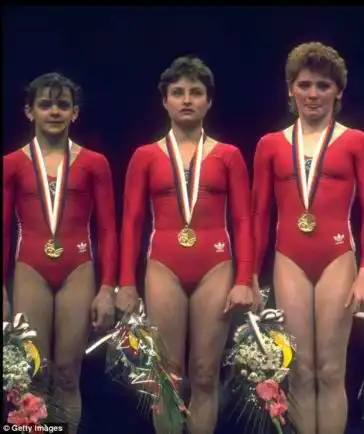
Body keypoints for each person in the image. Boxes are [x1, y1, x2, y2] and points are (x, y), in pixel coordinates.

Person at [116, 56, 256, 434]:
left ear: (209, 101)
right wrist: (125, 282)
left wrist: (244, 279)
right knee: (167, 373)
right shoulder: (145, 156)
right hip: (163, 266)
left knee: (206, 373)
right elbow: (131, 223)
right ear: (164, 101)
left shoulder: (229, 155)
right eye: (178, 93)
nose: (187, 99)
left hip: (216, 267)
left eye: (196, 92)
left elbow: (244, 221)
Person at [251, 42, 364, 434]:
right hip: (288, 259)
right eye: (304, 85)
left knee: (330, 369)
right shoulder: (270, 145)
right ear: (290, 89)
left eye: (323, 86)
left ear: (338, 91)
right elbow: (258, 215)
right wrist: (248, 275)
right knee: (300, 369)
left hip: (337, 258)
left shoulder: (356, 141)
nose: (313, 94)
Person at [2, 73, 118, 433]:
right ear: (29, 111)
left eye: (62, 105)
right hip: (30, 269)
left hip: (77, 270)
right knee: (32, 372)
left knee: (68, 373)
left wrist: (107, 288)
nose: (54, 111)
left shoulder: (94, 163)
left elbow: (108, 229)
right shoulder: (11, 164)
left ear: (75, 112)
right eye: (45, 104)